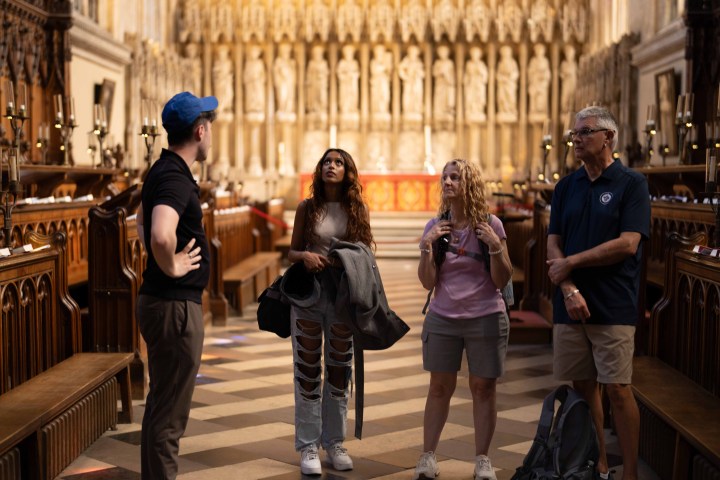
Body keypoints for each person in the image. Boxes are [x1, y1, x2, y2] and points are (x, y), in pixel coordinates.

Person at [546, 106, 650, 480]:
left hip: (613, 302)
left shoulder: (631, 184)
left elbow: (627, 244)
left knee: (619, 389)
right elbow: (552, 244)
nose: (576, 139)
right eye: (573, 134)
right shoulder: (565, 186)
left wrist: (571, 263)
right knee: (583, 388)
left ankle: (631, 473)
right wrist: (569, 287)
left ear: (608, 137)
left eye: (584, 132)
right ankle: (599, 463)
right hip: (570, 305)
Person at [135, 91, 217, 479]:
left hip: (164, 303)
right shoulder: (174, 178)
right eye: (210, 127)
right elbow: (160, 235)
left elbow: (139, 220)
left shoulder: (162, 170)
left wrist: (164, 261)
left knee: (161, 405)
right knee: (169, 420)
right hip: (174, 308)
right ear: (200, 130)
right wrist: (173, 266)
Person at [414, 158, 513, 480]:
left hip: (485, 315)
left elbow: (502, 279)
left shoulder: (491, 225)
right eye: (445, 177)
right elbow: (428, 282)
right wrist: (427, 248)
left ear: (469, 183)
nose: (447, 182)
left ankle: (483, 460)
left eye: (455, 177)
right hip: (443, 316)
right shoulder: (435, 227)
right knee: (439, 387)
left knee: (483, 388)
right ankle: (427, 456)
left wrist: (496, 247)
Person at [287, 148, 374, 476]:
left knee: (340, 371)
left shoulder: (357, 209)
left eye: (338, 162)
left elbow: (366, 250)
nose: (331, 166)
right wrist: (305, 257)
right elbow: (292, 251)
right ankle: (308, 444)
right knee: (308, 372)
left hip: (342, 296)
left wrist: (344, 260)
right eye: (327, 162)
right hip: (309, 295)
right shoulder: (307, 208)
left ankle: (334, 442)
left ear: (348, 172)